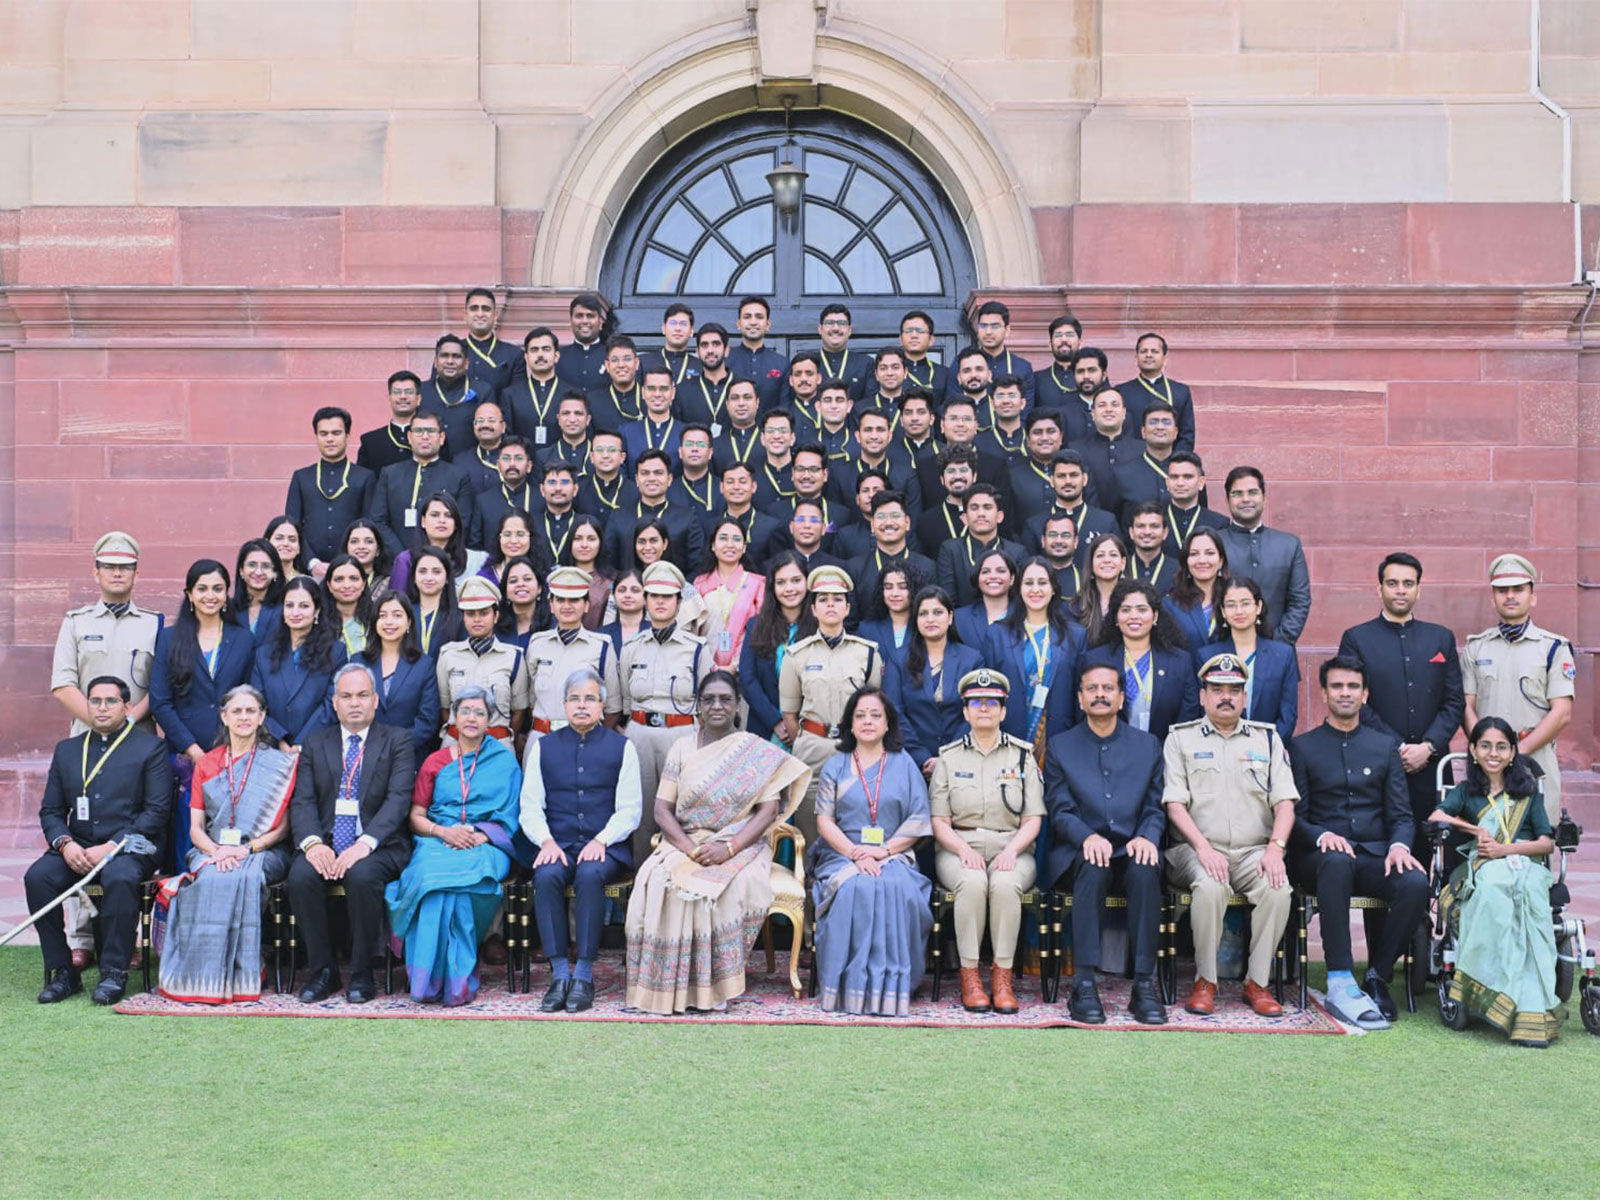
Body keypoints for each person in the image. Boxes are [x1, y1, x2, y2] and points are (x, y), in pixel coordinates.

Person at [625, 671, 811, 1014]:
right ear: (698, 706)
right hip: (687, 840)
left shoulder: (755, 750)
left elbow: (768, 809)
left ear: (737, 704)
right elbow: (662, 810)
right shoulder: (682, 747)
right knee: (662, 880)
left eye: (725, 699)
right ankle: (668, 987)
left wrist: (729, 848)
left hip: (741, 844)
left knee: (719, 887)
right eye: (708, 699)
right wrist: (687, 847)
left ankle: (715, 987)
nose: (717, 706)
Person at [1289, 657, 1428, 1029]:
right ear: (1323, 693)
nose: (1345, 693)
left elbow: (1401, 815)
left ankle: (1377, 976)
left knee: (1415, 882)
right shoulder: (1302, 747)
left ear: (1365, 694)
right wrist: (1322, 835)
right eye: (1337, 686)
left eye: (1352, 687)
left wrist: (1400, 846)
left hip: (1374, 855)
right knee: (1335, 861)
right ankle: (1339, 979)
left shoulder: (1385, 747)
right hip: (1319, 858)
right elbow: (1295, 818)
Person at [50, 530, 165, 966]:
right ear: (96, 572)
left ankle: (126, 937)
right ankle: (82, 937)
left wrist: (126, 722)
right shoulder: (76, 622)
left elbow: (159, 686)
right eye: (110, 566)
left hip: (137, 744)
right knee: (84, 832)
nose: (118, 573)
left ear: (136, 572)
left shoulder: (153, 623)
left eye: (126, 566)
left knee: (131, 835)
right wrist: (102, 719)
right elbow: (62, 683)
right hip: (84, 744)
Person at [1163, 653, 1298, 1017]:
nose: (1226, 696)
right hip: (1195, 849)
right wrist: (1204, 849)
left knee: (1278, 887)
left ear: (1244, 696)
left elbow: (1285, 802)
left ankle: (1257, 982)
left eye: (1234, 690)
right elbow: (1175, 805)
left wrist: (1276, 849)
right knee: (1209, 886)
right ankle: (1205, 980)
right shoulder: (1180, 739)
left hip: (1254, 850)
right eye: (1217, 689)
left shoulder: (1267, 739)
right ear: (1203, 695)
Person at [27, 676, 172, 1005]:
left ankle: (113, 972)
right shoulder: (67, 751)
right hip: (77, 846)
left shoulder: (151, 747)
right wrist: (65, 844)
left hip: (132, 846)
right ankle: (62, 972)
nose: (102, 707)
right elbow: (50, 811)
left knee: (119, 876)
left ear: (127, 707)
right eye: (95, 701)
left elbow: (156, 811)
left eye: (110, 701)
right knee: (37, 879)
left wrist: (112, 846)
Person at [1428, 716, 1565, 1047]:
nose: (1493, 753)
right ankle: (1496, 991)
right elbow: (1436, 817)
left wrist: (1505, 849)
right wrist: (1477, 831)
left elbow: (1546, 843)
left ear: (1512, 752)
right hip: (1483, 869)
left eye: (1501, 747)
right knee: (1492, 891)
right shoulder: (1466, 793)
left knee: (1527, 896)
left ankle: (1529, 1009)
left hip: (1526, 866)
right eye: (1485, 746)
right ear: (1473, 750)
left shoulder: (1527, 792)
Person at [155, 684, 297, 1005]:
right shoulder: (207, 763)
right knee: (212, 876)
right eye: (237, 711)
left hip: (264, 850)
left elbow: (284, 828)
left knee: (241, 875)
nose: (244, 717)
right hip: (212, 849)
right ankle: (206, 970)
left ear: (262, 718)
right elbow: (195, 829)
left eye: (251, 711)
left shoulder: (280, 764)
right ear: (224, 717)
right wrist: (217, 851)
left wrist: (245, 850)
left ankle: (244, 967)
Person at [1043, 661, 1167, 1025]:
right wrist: (1086, 836)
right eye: (1092, 689)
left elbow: (1155, 805)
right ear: (1080, 699)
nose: (1100, 694)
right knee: (1094, 867)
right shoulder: (1061, 746)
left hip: (1132, 846)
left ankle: (1144, 984)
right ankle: (1083, 983)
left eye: (1107, 688)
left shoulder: (1147, 745)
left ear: (1121, 697)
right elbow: (1059, 808)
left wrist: (1147, 835)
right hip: (1081, 851)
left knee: (1146, 869)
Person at [287, 662, 416, 1004]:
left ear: (375, 700)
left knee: (361, 877)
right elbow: (303, 800)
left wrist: (364, 844)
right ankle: (323, 972)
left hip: (380, 845)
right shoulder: (316, 742)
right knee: (301, 876)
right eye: (346, 696)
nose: (354, 702)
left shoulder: (398, 741)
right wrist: (313, 845)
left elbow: (398, 800)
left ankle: (361, 974)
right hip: (326, 842)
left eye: (362, 695)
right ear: (334, 702)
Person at [385, 686, 520, 1006]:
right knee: (434, 884)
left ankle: (449, 979)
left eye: (480, 712)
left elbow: (512, 815)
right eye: (466, 711)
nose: (472, 718)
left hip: (485, 844)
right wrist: (443, 832)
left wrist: (482, 836)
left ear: (490, 721)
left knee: (459, 886)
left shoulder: (504, 762)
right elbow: (416, 815)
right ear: (453, 719)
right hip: (436, 840)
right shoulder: (435, 761)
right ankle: (434, 980)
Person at [521, 668, 642, 1013]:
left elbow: (630, 809)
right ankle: (560, 975)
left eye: (590, 698)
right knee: (545, 876)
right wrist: (545, 841)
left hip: (607, 845)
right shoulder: (544, 747)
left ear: (603, 705)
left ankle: (584, 975)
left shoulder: (623, 747)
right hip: (556, 843)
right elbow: (530, 806)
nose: (581, 705)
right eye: (574, 699)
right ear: (564, 704)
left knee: (590, 874)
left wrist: (602, 839)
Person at [811, 687, 934, 1015]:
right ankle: (848, 989)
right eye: (860, 715)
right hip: (841, 855)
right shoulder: (835, 766)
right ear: (850, 724)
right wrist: (855, 853)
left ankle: (893, 988)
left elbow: (919, 818)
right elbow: (824, 821)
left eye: (875, 715)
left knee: (896, 887)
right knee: (855, 888)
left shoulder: (904, 763)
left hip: (893, 853)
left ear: (888, 723)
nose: (867, 721)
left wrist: (883, 851)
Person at [929, 669, 1044, 1014]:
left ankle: (1002, 978)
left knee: (1007, 884)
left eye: (991, 703)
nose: (984, 709)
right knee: (973, 882)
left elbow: (1033, 818)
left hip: (1012, 845)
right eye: (975, 702)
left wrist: (1012, 850)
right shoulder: (948, 758)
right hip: (958, 846)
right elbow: (939, 821)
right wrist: (963, 849)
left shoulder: (1022, 756)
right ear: (964, 711)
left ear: (1003, 711)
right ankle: (970, 977)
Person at [1337, 551, 1465, 855]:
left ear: (1419, 589)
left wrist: (1428, 747)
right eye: (1392, 583)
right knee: (1379, 849)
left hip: (1431, 764)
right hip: (1377, 761)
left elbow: (1454, 701)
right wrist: (1396, 747)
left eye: (1408, 583)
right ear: (1379, 588)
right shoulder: (1356, 638)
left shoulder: (1440, 638)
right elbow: (1354, 700)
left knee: (1432, 849)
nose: (1400, 590)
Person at [149, 559, 256, 868]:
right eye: (203, 588)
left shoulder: (244, 639)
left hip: (234, 755)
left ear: (227, 595)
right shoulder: (169, 638)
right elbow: (160, 702)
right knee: (187, 830)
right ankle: (186, 892)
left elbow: (250, 696)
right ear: (190, 594)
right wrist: (195, 752)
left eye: (218, 589)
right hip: (185, 757)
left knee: (230, 833)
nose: (211, 595)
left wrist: (227, 749)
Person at [1461, 553, 1575, 822]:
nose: (1510, 596)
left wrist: (1514, 754)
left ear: (1532, 597)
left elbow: (1561, 713)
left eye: (1518, 589)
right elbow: (1466, 706)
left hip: (1534, 761)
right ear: (1493, 598)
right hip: (1486, 765)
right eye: (1502, 590)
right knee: (1485, 844)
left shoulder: (1553, 648)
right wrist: (1489, 752)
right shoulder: (1476, 647)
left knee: (1536, 844)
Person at [778, 566, 883, 841]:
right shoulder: (796, 655)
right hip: (812, 745)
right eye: (823, 599)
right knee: (809, 823)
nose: (830, 605)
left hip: (856, 745)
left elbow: (875, 706)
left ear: (847, 608)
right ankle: (812, 881)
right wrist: (807, 739)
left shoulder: (867, 653)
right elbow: (789, 713)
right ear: (813, 609)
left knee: (856, 819)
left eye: (837, 599)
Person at [619, 561, 709, 853]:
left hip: (681, 736)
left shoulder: (696, 648)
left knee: (683, 812)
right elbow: (622, 701)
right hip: (640, 735)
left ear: (679, 602)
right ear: (645, 600)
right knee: (641, 812)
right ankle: (642, 884)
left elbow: (708, 704)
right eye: (654, 595)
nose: (660, 601)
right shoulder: (632, 648)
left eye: (667, 596)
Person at [988, 558, 1083, 760]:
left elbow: (1079, 691)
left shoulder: (1075, 635)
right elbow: (991, 691)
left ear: (1054, 588)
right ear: (1019, 588)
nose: (1035, 589)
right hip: (1008, 738)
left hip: (1061, 739)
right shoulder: (998, 633)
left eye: (1042, 582)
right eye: (1028, 583)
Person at [1085, 580, 1199, 745]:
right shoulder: (1095, 660)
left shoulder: (1179, 662)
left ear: (1155, 616)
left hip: (1163, 758)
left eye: (1142, 609)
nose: (1134, 616)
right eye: (1125, 610)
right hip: (1106, 757)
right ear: (1116, 618)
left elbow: (1188, 720)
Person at [888, 587, 984, 779]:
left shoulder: (971, 659)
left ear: (950, 618)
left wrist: (948, 757)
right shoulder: (898, 659)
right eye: (923, 614)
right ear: (916, 620)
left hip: (963, 760)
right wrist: (923, 758)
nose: (930, 619)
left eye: (938, 612)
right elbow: (893, 712)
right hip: (910, 763)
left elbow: (976, 711)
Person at [1216, 467, 1311, 646]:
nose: (1245, 499)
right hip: (1223, 652)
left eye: (1253, 492)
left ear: (1264, 497)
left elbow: (1300, 601)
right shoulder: (1214, 543)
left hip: (1278, 651)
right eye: (1237, 494)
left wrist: (1278, 642)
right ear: (1227, 500)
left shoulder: (1289, 544)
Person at [523, 566, 621, 739]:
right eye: (560, 600)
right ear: (551, 605)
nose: (567, 606)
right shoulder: (537, 644)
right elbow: (532, 700)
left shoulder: (602, 646)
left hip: (586, 739)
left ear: (586, 605)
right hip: (541, 737)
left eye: (574, 600)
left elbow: (613, 706)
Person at [1198, 577, 1300, 741]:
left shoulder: (1282, 655)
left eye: (1245, 603)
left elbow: (1288, 713)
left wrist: (1267, 747)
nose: (1239, 611)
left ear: (1258, 607)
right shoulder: (1207, 656)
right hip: (1218, 749)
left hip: (1267, 751)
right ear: (1223, 611)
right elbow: (1201, 711)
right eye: (1231, 605)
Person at [368, 410, 477, 560]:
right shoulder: (390, 473)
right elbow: (378, 520)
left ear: (441, 438)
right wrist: (402, 556)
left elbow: (462, 522)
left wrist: (435, 555)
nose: (425, 437)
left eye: (431, 431)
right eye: (419, 431)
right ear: (409, 437)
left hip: (443, 562)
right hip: (395, 561)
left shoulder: (458, 476)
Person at [434, 576, 528, 750]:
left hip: (497, 745)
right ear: (463, 617)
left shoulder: (513, 656)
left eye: (484, 613)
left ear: (496, 616)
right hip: (456, 745)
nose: (477, 619)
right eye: (470, 614)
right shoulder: (448, 654)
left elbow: (519, 711)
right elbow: (445, 708)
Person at [250, 576, 341, 752]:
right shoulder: (263, 654)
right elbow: (256, 703)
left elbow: (332, 702)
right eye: (289, 605)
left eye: (304, 606)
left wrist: (301, 744)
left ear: (317, 611)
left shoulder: (335, 652)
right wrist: (280, 739)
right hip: (271, 747)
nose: (295, 612)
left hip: (318, 747)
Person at [284, 406, 375, 569]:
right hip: (308, 568)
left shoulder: (365, 477)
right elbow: (292, 526)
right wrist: (312, 563)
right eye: (323, 434)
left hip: (351, 567)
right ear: (316, 437)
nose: (330, 439)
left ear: (347, 436)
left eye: (336, 433)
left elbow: (368, 526)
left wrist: (349, 561)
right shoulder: (301, 477)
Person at [739, 553, 813, 743]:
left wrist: (796, 726)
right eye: (781, 582)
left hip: (810, 733)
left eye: (796, 580)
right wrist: (777, 722)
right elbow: (748, 679)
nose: (789, 589)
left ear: (807, 581)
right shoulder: (756, 626)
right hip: (766, 729)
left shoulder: (819, 626)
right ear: (772, 586)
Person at [361, 592, 440, 762]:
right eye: (382, 616)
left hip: (408, 757)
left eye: (397, 615)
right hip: (363, 756)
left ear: (409, 622)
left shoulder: (424, 665)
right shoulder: (358, 661)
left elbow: (427, 720)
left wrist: (394, 747)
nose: (389, 621)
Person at [936, 485, 1026, 609]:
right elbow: (948, 600)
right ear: (964, 518)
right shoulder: (951, 550)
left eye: (987, 507)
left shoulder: (1017, 552)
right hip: (962, 624)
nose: (981, 514)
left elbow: (1019, 598)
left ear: (1000, 516)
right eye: (974, 508)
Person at [694, 518, 765, 671]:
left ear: (744, 547)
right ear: (713, 545)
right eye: (723, 538)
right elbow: (691, 633)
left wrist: (735, 666)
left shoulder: (758, 584)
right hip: (704, 670)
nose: (730, 544)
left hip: (745, 670)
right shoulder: (699, 584)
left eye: (737, 539)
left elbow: (761, 631)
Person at [390, 491, 488, 595]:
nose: (442, 520)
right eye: (435, 515)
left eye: (448, 515)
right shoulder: (406, 560)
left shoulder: (474, 560)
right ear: (423, 521)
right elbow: (396, 605)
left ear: (456, 524)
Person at [1115, 331, 1196, 452]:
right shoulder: (1122, 392)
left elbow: (1187, 435)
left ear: (1165, 359)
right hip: (1132, 461)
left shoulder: (1180, 391)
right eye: (1143, 351)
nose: (1149, 355)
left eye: (1155, 351)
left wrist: (1175, 462)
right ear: (1136, 358)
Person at [1162, 528, 1231, 656]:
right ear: (1186, 562)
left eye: (1210, 553)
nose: (1202, 560)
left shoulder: (1233, 600)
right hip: (1186, 674)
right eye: (1194, 554)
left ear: (1221, 561)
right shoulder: (1169, 605)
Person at [856, 562, 923, 675]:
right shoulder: (867, 630)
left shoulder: (924, 627)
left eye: (903, 587)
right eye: (888, 587)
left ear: (914, 589)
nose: (894, 593)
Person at [356, 370, 423, 476]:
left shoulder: (432, 437)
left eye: (409, 392)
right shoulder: (371, 441)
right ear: (389, 398)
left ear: (418, 399)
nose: (403, 396)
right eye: (397, 392)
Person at [1160, 452, 1227, 557]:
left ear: (1201, 483)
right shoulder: (1154, 522)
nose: (1180, 483)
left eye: (1187, 477)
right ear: (1167, 483)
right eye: (1174, 477)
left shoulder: (1220, 524)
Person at [1068, 532, 1127, 646]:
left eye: (1113, 555)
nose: (1107, 560)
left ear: (1123, 563)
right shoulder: (1074, 608)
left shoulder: (1134, 602)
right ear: (1091, 563)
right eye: (1100, 555)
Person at [407, 546, 466, 658]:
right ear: (414, 577)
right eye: (422, 571)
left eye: (436, 572)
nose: (429, 578)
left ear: (447, 577)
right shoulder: (404, 614)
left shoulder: (459, 618)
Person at [952, 547, 1016, 651]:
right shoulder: (959, 619)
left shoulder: (1025, 615)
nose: (993, 576)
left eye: (1001, 571)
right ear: (977, 578)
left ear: (1012, 579)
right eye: (986, 572)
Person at [230, 538, 285, 643]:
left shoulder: (285, 609)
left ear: (275, 572)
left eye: (266, 566)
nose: (259, 572)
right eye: (252, 565)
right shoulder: (229, 609)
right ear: (241, 571)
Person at [557, 291, 611, 391]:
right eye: (579, 316)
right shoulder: (558, 357)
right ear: (571, 321)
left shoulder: (612, 356)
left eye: (590, 316)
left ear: (600, 322)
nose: (585, 321)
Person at [322, 554, 373, 657]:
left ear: (363, 584)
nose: (347, 585)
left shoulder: (377, 619)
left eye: (353, 578)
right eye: (339, 579)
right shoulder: (318, 622)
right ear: (329, 586)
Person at [598, 568, 647, 656]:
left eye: (635, 590)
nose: (627, 595)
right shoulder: (600, 636)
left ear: (646, 597)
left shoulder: (655, 633)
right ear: (614, 595)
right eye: (622, 590)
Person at [264, 515, 310, 581]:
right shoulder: (258, 579)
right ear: (267, 543)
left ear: (299, 547)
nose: (285, 544)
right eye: (279, 538)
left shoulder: (307, 584)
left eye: (292, 539)